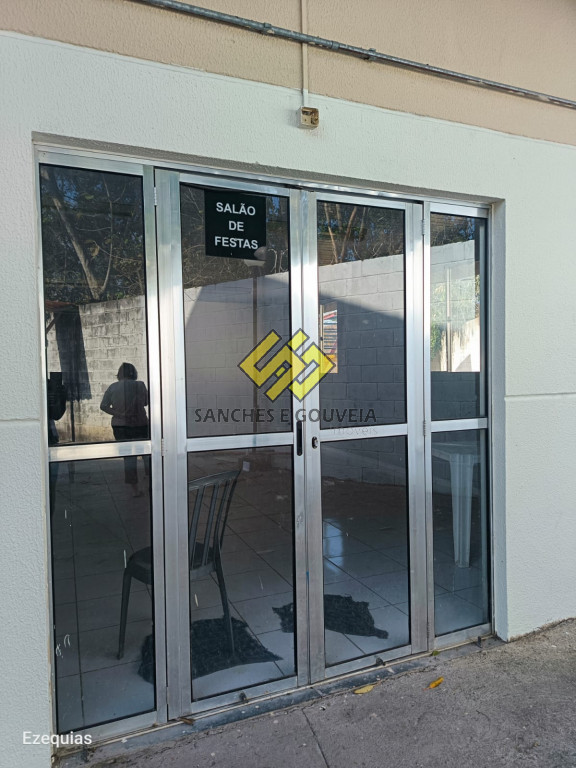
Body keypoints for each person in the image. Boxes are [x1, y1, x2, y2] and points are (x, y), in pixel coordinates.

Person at [100, 363, 150, 497]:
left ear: (119, 373)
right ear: (134, 372)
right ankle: (149, 481)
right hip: (140, 424)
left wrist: (119, 414)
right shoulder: (140, 385)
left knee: (128, 457)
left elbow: (103, 406)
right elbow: (146, 402)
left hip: (120, 425)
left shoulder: (112, 387)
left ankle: (134, 489)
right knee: (146, 454)